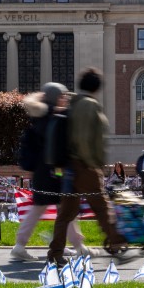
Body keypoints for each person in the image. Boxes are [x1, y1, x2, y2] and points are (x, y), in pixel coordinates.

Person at [47, 68, 130, 265]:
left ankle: (55, 254)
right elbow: (88, 139)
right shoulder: (90, 105)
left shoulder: (72, 104)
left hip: (69, 167)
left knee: (65, 215)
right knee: (102, 208)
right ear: (96, 87)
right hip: (85, 167)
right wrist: (94, 164)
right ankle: (117, 243)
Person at [11, 83, 91, 261]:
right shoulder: (52, 116)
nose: (65, 99)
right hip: (53, 172)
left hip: (43, 172)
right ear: (56, 97)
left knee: (52, 209)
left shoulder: (41, 116)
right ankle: (78, 246)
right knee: (64, 209)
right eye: (62, 96)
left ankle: (24, 244)